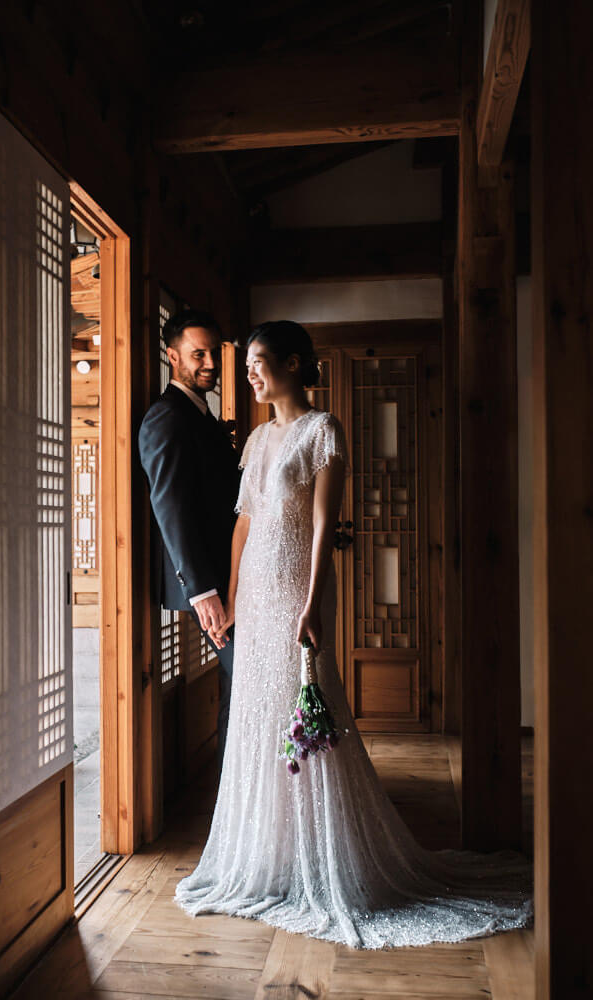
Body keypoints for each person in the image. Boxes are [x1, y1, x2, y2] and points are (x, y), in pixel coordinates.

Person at [174, 319, 532, 950]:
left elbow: (321, 526)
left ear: (292, 364)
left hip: (295, 589)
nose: (250, 373)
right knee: (256, 714)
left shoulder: (323, 430)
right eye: (248, 363)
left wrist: (311, 604)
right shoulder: (257, 438)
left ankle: (325, 858)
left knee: (305, 710)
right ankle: (268, 856)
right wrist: (230, 599)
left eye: (260, 362)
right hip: (254, 591)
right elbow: (242, 525)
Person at [138, 309, 240, 770]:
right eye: (198, 353)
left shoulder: (203, 415)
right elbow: (171, 510)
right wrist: (203, 592)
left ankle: (237, 806)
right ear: (172, 356)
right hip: (210, 585)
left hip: (233, 576)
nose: (209, 363)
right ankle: (235, 810)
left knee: (240, 687)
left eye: (213, 352)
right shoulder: (167, 418)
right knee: (244, 683)